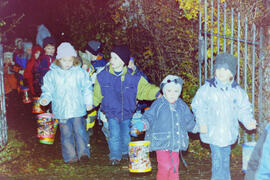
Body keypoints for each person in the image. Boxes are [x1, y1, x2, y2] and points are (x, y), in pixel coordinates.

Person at [191, 52, 257, 180]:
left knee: (225, 162)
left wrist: (248, 121)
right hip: (213, 133)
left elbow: (243, 109)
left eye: (226, 69)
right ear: (215, 70)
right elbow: (198, 106)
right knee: (217, 162)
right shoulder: (207, 89)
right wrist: (202, 123)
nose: (221, 72)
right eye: (219, 69)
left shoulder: (236, 91)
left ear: (232, 72)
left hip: (228, 134)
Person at [93, 44, 161, 165]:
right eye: (111, 57)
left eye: (115, 58)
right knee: (114, 134)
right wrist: (91, 103)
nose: (111, 60)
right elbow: (97, 92)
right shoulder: (103, 76)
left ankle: (124, 153)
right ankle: (114, 156)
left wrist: (157, 93)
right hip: (111, 111)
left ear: (123, 61)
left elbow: (144, 88)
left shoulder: (133, 77)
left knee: (125, 135)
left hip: (126, 111)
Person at [132, 75, 196, 180]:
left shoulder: (182, 106)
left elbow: (188, 121)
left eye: (176, 91)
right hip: (160, 142)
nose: (172, 94)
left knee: (174, 168)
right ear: (164, 90)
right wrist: (143, 124)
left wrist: (197, 128)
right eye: (169, 90)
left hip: (176, 142)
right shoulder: (158, 104)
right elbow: (149, 117)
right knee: (165, 167)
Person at [40, 42, 92, 163]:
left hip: (77, 108)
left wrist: (88, 102)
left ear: (74, 59)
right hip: (61, 110)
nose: (67, 63)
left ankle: (83, 153)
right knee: (66, 133)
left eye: (70, 60)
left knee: (80, 131)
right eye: (64, 60)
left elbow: (87, 88)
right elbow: (48, 89)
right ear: (58, 60)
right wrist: (45, 98)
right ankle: (70, 156)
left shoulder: (79, 73)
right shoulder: (52, 75)